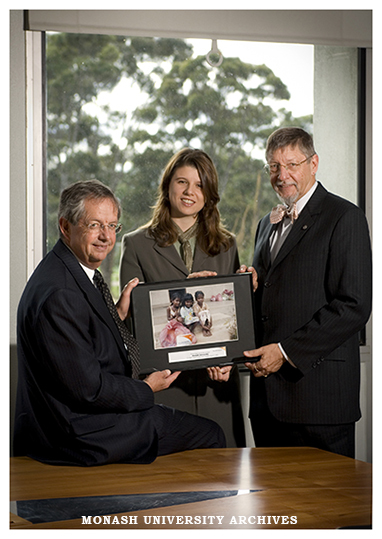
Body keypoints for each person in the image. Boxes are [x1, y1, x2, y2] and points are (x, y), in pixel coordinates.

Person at [13, 180, 225, 466]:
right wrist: (147, 389)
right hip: (80, 433)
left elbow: (79, 339)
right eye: (94, 225)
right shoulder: (61, 292)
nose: (105, 236)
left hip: (76, 421)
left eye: (112, 226)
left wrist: (115, 316)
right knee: (211, 434)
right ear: (65, 227)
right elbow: (90, 390)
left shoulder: (69, 270)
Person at [242, 127, 372, 458]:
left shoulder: (345, 217)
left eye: (291, 164)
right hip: (267, 402)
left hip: (319, 400)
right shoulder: (264, 224)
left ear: (314, 164)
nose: (282, 175)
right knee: (272, 507)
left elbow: (353, 306)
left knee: (329, 509)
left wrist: (284, 352)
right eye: (273, 166)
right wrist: (244, 286)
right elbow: (273, 293)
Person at [119, 148, 246, 447]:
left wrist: (229, 361)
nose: (190, 192)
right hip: (165, 386)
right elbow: (129, 323)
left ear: (210, 193)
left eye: (200, 184)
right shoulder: (136, 244)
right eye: (182, 182)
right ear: (167, 186)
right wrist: (181, 292)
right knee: (167, 485)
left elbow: (232, 319)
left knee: (224, 482)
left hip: (217, 388)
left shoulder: (227, 245)